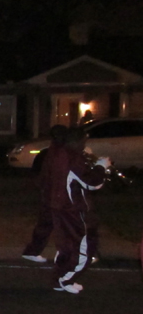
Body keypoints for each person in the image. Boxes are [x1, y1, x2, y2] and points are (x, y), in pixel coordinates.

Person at [47, 126, 109, 293]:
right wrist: (101, 167)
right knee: (83, 247)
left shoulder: (58, 153)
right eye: (83, 141)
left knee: (65, 246)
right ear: (76, 141)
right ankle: (65, 279)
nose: (84, 144)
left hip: (59, 206)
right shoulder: (73, 158)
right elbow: (93, 183)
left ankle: (59, 279)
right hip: (73, 209)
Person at [21, 124, 68, 263]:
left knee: (49, 224)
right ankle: (36, 251)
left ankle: (34, 251)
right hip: (55, 194)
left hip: (52, 193)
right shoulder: (58, 153)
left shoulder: (51, 152)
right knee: (59, 224)